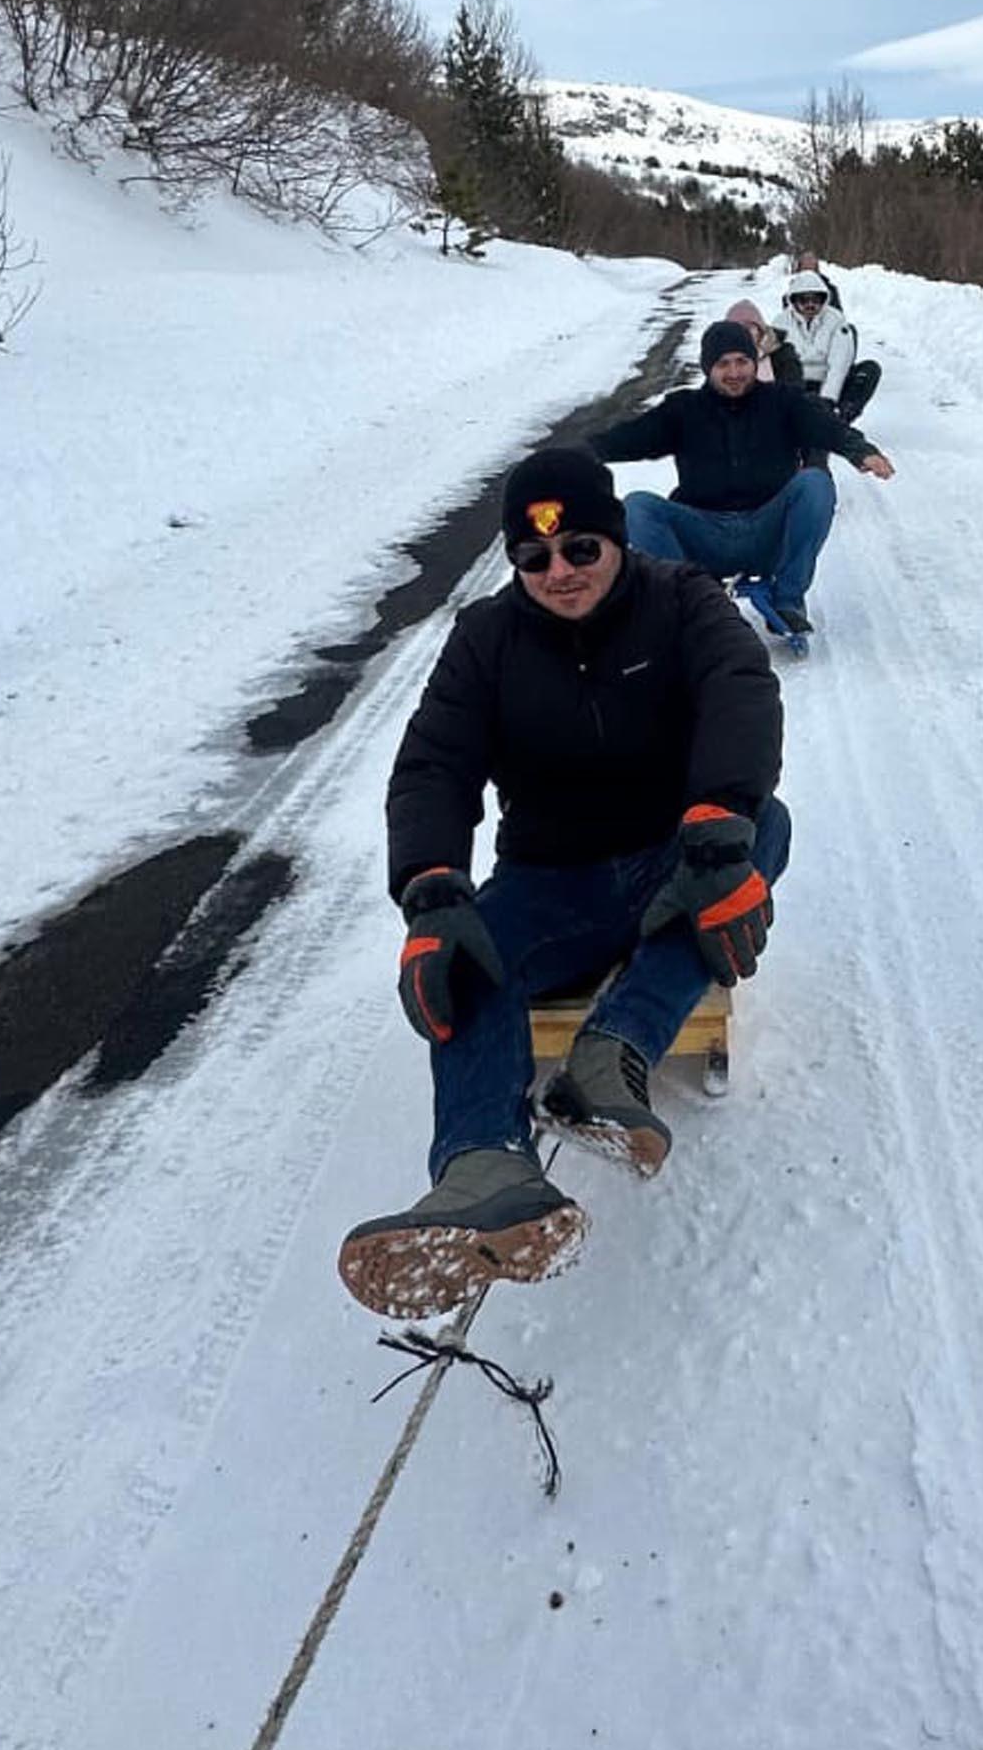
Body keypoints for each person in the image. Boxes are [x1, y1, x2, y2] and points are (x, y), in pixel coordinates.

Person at [338, 447, 790, 1320]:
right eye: (534, 557)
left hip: (672, 860)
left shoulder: (683, 599)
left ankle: (610, 1055)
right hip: (551, 878)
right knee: (468, 949)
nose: (559, 571)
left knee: (764, 825)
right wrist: (430, 889)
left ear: (615, 539)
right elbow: (432, 765)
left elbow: (740, 688)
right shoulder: (485, 638)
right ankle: (482, 1166)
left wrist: (717, 827)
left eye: (580, 548)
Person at [589, 318, 893, 634]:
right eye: (723, 364)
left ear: (754, 362)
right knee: (637, 506)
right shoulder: (684, 409)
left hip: (767, 534)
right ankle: (689, 602)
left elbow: (827, 427)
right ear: (708, 367)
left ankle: (787, 601)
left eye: (742, 361)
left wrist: (860, 451)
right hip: (703, 536)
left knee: (815, 483)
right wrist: (580, 454)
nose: (734, 372)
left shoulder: (782, 401)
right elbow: (629, 437)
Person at [774, 270, 881, 427]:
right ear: (794, 300)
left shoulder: (836, 320)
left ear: (824, 299)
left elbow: (839, 363)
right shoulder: (780, 322)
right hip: (796, 384)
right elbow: (775, 362)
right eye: (804, 300)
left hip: (827, 382)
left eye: (816, 300)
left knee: (869, 369)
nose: (810, 305)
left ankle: (839, 420)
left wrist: (828, 400)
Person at [723, 295, 781, 381]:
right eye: (737, 328)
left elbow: (792, 384)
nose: (743, 333)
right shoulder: (721, 357)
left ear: (759, 330)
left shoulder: (780, 353)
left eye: (748, 327)